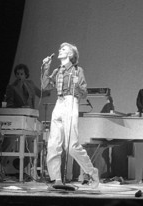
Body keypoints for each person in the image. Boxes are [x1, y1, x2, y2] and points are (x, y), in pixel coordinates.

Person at [41, 42, 99, 188]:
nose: (60, 50)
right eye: (60, 48)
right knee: (53, 143)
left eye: (64, 49)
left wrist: (77, 85)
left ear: (71, 54)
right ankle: (56, 179)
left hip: (71, 102)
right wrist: (46, 68)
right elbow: (45, 86)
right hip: (59, 103)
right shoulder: (57, 70)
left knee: (71, 146)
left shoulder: (77, 70)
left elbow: (84, 93)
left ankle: (91, 172)